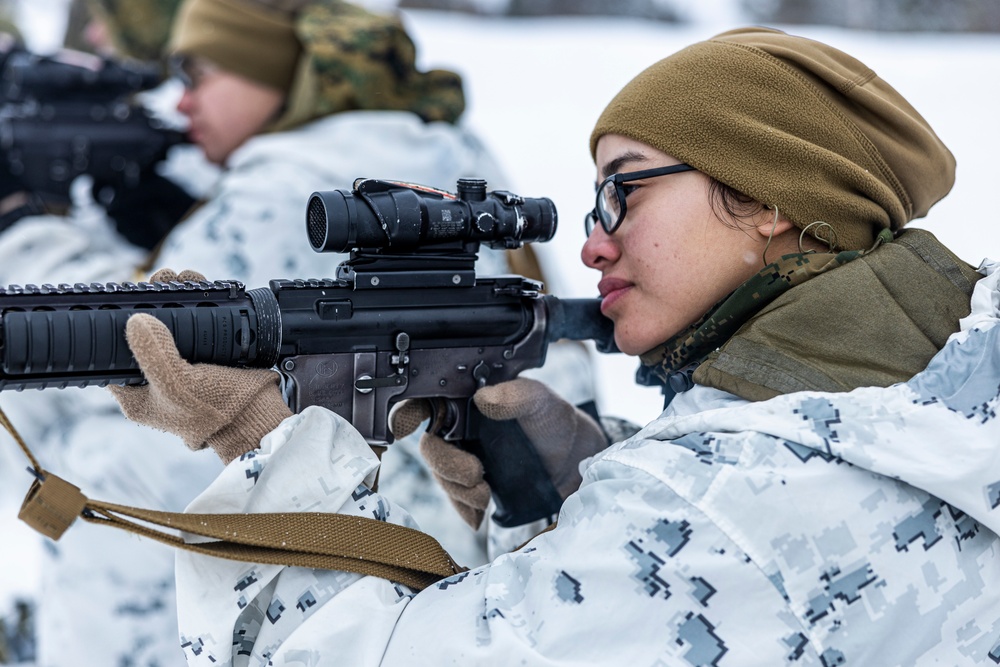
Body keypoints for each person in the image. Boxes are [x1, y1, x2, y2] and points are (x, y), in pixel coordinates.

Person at [110, 25, 1000, 665]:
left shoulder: (723, 501)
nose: (592, 242)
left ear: (769, 196)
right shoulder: (940, 399)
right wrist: (573, 496)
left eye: (626, 191)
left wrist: (269, 446)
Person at [0, 1, 596, 665]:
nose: (183, 99)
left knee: (116, 446)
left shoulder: (288, 176)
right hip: (450, 538)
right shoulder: (413, 140)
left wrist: (18, 225)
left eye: (202, 73)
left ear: (273, 71)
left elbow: (153, 338)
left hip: (386, 564)